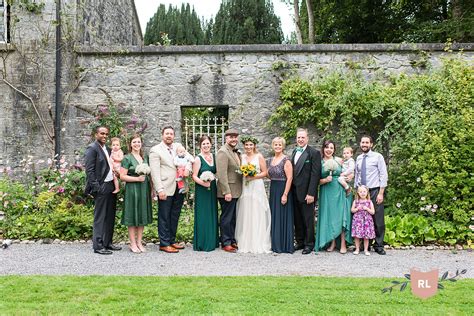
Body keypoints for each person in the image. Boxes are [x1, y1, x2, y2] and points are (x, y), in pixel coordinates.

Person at [149, 126, 193, 253]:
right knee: (164, 216)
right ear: (162, 135)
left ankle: (172, 240)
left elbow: (190, 159)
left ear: (174, 136)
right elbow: (155, 172)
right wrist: (159, 189)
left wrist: (187, 169)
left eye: (171, 134)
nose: (169, 136)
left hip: (179, 186)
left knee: (175, 215)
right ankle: (164, 243)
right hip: (165, 188)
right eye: (167, 133)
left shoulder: (178, 146)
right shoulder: (155, 150)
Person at [84, 126, 121, 255]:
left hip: (111, 185)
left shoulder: (108, 149)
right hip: (101, 187)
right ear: (96, 134)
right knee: (100, 217)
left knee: (110, 215)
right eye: (102, 133)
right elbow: (89, 171)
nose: (104, 136)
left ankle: (107, 243)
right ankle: (98, 246)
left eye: (106, 134)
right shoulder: (92, 149)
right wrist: (97, 188)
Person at [235, 136, 272, 253]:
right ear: (244, 146)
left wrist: (253, 176)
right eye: (246, 145)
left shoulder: (259, 156)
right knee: (246, 211)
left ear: (254, 145)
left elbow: (265, 172)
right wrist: (245, 174)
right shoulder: (242, 157)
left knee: (257, 211)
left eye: (251, 145)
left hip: (256, 186)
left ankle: (258, 241)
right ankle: (246, 241)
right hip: (246, 187)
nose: (248, 147)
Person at [315, 140, 352, 253]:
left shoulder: (339, 160)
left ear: (334, 149)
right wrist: (325, 180)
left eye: (331, 147)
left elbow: (350, 169)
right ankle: (332, 242)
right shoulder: (319, 162)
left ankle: (343, 244)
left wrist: (350, 176)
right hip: (326, 191)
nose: (329, 150)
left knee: (341, 216)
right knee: (330, 217)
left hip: (339, 190)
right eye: (327, 147)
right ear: (323, 148)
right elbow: (315, 181)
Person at [354, 135, 388, 255]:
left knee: (377, 218)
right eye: (362, 142)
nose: (364, 144)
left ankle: (378, 245)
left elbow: (383, 175)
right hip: (361, 192)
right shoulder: (358, 158)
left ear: (371, 144)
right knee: (362, 218)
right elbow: (357, 175)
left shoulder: (377, 157)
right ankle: (364, 245)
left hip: (374, 190)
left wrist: (381, 193)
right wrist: (356, 190)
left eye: (367, 142)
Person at [119, 134, 153, 253]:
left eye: (138, 142)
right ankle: (132, 243)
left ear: (141, 144)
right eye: (134, 142)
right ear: (130, 144)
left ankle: (139, 242)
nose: (136, 144)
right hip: (132, 189)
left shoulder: (145, 157)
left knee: (142, 214)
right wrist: (137, 179)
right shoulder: (127, 158)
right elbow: (122, 176)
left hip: (144, 189)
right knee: (132, 215)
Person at [291, 128, 321, 255]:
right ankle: (300, 241)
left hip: (307, 192)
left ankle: (309, 244)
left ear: (307, 138)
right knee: (297, 218)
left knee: (308, 219)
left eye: (303, 137)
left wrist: (311, 193)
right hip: (294, 191)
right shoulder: (294, 151)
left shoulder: (314, 153)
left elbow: (315, 175)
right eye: (298, 137)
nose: (300, 139)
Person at [216, 128, 243, 253]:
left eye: (235, 137)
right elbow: (221, 174)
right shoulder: (223, 152)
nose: (233, 139)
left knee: (232, 217)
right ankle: (225, 242)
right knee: (226, 217)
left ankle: (232, 240)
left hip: (236, 190)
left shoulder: (235, 152)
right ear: (226, 138)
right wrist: (226, 191)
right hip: (227, 192)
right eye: (230, 137)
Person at [267, 137, 294, 254]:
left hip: (283, 189)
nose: (277, 147)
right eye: (275, 145)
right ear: (273, 146)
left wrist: (285, 194)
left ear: (283, 146)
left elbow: (290, 178)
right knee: (274, 216)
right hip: (273, 189)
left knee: (283, 216)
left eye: (279, 145)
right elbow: (269, 175)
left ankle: (284, 245)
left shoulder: (286, 160)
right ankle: (275, 244)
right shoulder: (271, 160)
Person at [192, 136, 219, 251]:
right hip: (202, 189)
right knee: (203, 214)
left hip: (212, 188)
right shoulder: (198, 159)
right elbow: (193, 175)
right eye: (203, 144)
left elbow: (217, 172)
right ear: (200, 145)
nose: (206, 146)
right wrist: (204, 183)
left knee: (212, 213)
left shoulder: (215, 157)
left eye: (208, 143)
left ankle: (212, 241)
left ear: (211, 144)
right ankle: (203, 242)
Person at [351, 185, 376, 256]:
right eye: (361, 192)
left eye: (364, 191)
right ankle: (357, 249)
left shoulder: (369, 202)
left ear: (367, 192)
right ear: (358, 193)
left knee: (366, 236)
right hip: (358, 221)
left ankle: (366, 249)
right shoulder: (356, 201)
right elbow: (352, 210)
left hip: (367, 221)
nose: (362, 193)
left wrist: (367, 209)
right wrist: (357, 209)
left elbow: (373, 212)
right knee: (357, 236)